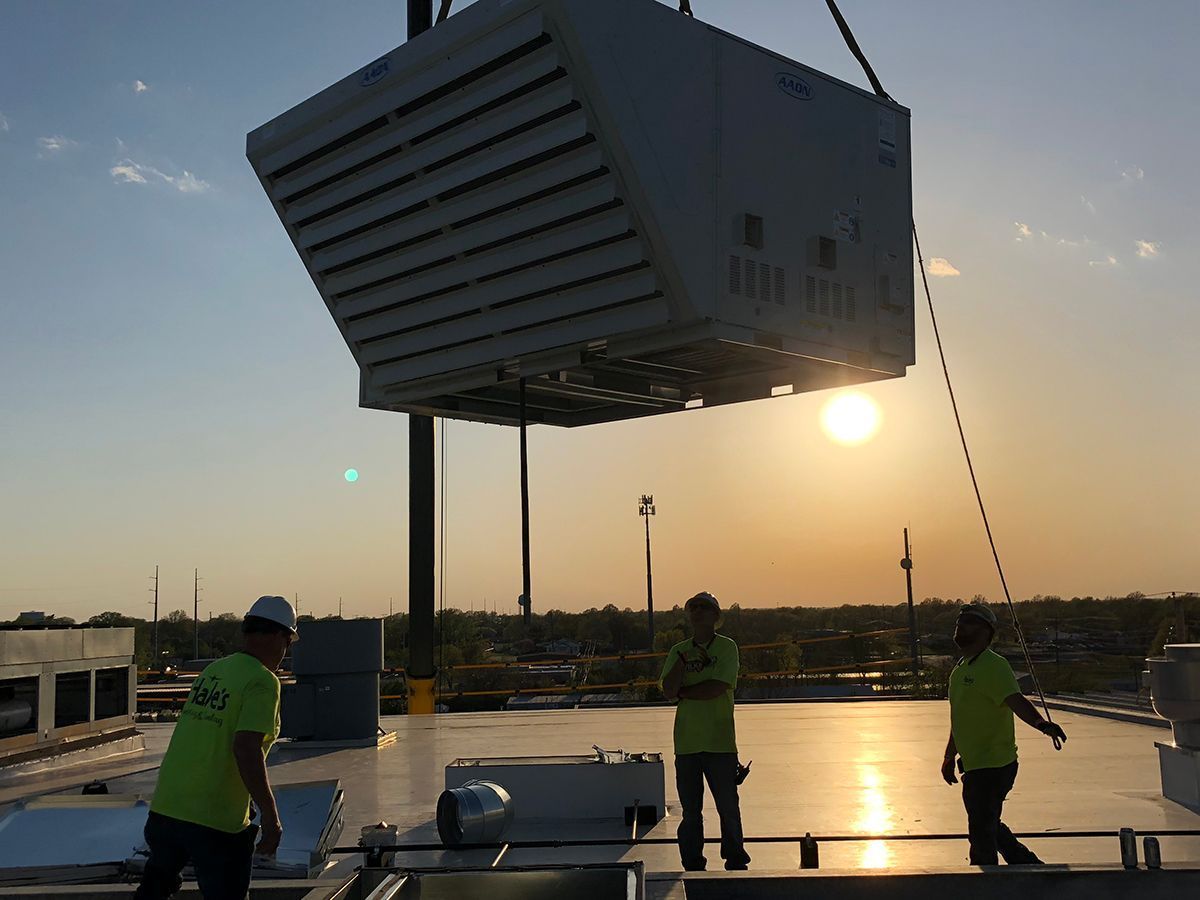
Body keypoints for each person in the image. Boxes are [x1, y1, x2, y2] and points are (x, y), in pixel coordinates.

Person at [136, 595, 297, 900]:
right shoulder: (262, 682)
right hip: (215, 821)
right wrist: (271, 816)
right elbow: (246, 749)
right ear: (278, 636)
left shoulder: (214, 671)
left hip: (167, 809)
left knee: (154, 891)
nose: (285, 651)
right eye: (288, 641)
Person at [941, 601, 1067, 866]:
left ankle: (985, 883)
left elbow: (1016, 700)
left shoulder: (994, 666)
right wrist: (949, 756)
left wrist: (1042, 724)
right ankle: (1028, 866)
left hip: (995, 764)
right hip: (975, 765)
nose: (960, 627)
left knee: (981, 833)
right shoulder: (960, 670)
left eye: (968, 623)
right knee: (986, 823)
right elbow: (961, 719)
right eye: (959, 623)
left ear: (986, 631)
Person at [660, 591, 751, 871]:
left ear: (715, 615)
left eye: (703, 607)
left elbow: (717, 687)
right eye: (692, 607)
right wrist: (684, 662)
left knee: (728, 808)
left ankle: (735, 858)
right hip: (687, 745)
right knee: (691, 813)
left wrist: (684, 691)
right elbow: (667, 691)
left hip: (720, 743)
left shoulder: (726, 648)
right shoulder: (679, 651)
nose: (697, 612)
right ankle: (692, 863)